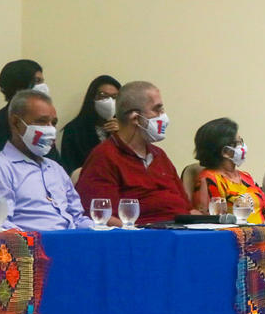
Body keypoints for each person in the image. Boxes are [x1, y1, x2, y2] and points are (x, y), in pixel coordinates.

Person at [0, 90, 92, 231]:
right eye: (41, 122)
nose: (50, 130)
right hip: (31, 249)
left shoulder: (55, 169)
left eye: (53, 123)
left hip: (71, 244)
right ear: (16, 123)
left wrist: (102, 231)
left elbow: (77, 217)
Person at [75, 80, 191, 225]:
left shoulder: (159, 155)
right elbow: (101, 216)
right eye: (157, 110)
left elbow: (187, 207)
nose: (163, 116)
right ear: (135, 118)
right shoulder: (105, 156)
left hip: (182, 231)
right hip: (142, 237)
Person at [193, 117, 265, 224]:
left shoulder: (245, 176)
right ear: (225, 151)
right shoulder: (209, 179)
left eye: (242, 141)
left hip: (264, 234)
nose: (243, 147)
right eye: (238, 143)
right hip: (236, 237)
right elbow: (211, 219)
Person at [0, 59, 59, 161]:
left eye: (42, 81)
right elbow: (0, 161)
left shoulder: (47, 119)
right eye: (37, 81)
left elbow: (56, 160)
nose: (43, 86)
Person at [60, 75, 121, 174]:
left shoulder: (126, 128)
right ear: (92, 98)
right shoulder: (74, 130)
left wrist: (121, 136)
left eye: (115, 97)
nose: (109, 101)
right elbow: (69, 169)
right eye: (103, 95)